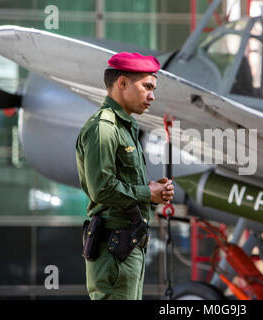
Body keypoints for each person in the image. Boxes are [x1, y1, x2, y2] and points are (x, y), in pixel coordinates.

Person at [75, 52, 174, 300]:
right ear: (122, 83)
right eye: (147, 86)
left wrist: (153, 194)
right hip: (114, 252)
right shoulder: (103, 128)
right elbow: (103, 189)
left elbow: (121, 185)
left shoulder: (125, 126)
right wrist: (146, 192)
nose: (152, 96)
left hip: (126, 248)